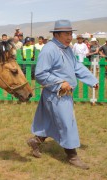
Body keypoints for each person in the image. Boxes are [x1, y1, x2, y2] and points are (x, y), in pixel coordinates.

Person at [27, 20, 99, 170]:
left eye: (71, 33)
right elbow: (40, 74)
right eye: (67, 34)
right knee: (67, 123)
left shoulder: (67, 49)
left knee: (51, 121)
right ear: (57, 34)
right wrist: (59, 83)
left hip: (63, 94)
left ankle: (35, 141)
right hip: (56, 95)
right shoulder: (49, 50)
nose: (70, 37)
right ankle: (72, 156)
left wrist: (91, 80)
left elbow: (76, 66)